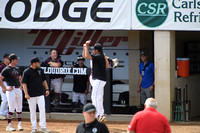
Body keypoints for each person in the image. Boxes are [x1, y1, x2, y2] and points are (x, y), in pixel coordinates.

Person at [82, 40, 109, 122]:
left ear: (97, 50)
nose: (93, 51)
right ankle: (101, 114)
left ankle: (97, 116)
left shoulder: (100, 56)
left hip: (99, 79)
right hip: (97, 79)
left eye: (94, 50)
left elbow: (87, 56)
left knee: (94, 97)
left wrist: (86, 46)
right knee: (99, 98)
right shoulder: (100, 56)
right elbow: (85, 55)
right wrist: (84, 47)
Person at [22, 57, 50, 133]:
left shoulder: (40, 70)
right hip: (31, 95)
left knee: (42, 110)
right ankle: (34, 127)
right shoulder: (27, 71)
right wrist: (26, 94)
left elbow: (44, 80)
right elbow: (24, 83)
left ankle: (43, 127)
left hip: (40, 93)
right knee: (32, 111)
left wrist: (47, 89)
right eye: (38, 62)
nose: (39, 64)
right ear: (34, 63)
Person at [0, 54, 23, 131]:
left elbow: (20, 78)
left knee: (19, 107)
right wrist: (4, 87)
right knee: (11, 108)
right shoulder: (6, 69)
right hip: (11, 89)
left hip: (17, 89)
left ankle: (20, 124)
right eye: (16, 59)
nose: (17, 61)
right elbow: (0, 78)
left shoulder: (17, 68)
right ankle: (8, 125)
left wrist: (21, 85)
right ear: (12, 60)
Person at [0, 53, 10, 120]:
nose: (9, 60)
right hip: (2, 83)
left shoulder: (10, 66)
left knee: (8, 99)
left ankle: (6, 113)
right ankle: (1, 113)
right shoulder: (1, 67)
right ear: (4, 59)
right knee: (5, 99)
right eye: (7, 58)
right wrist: (3, 86)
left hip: (8, 83)